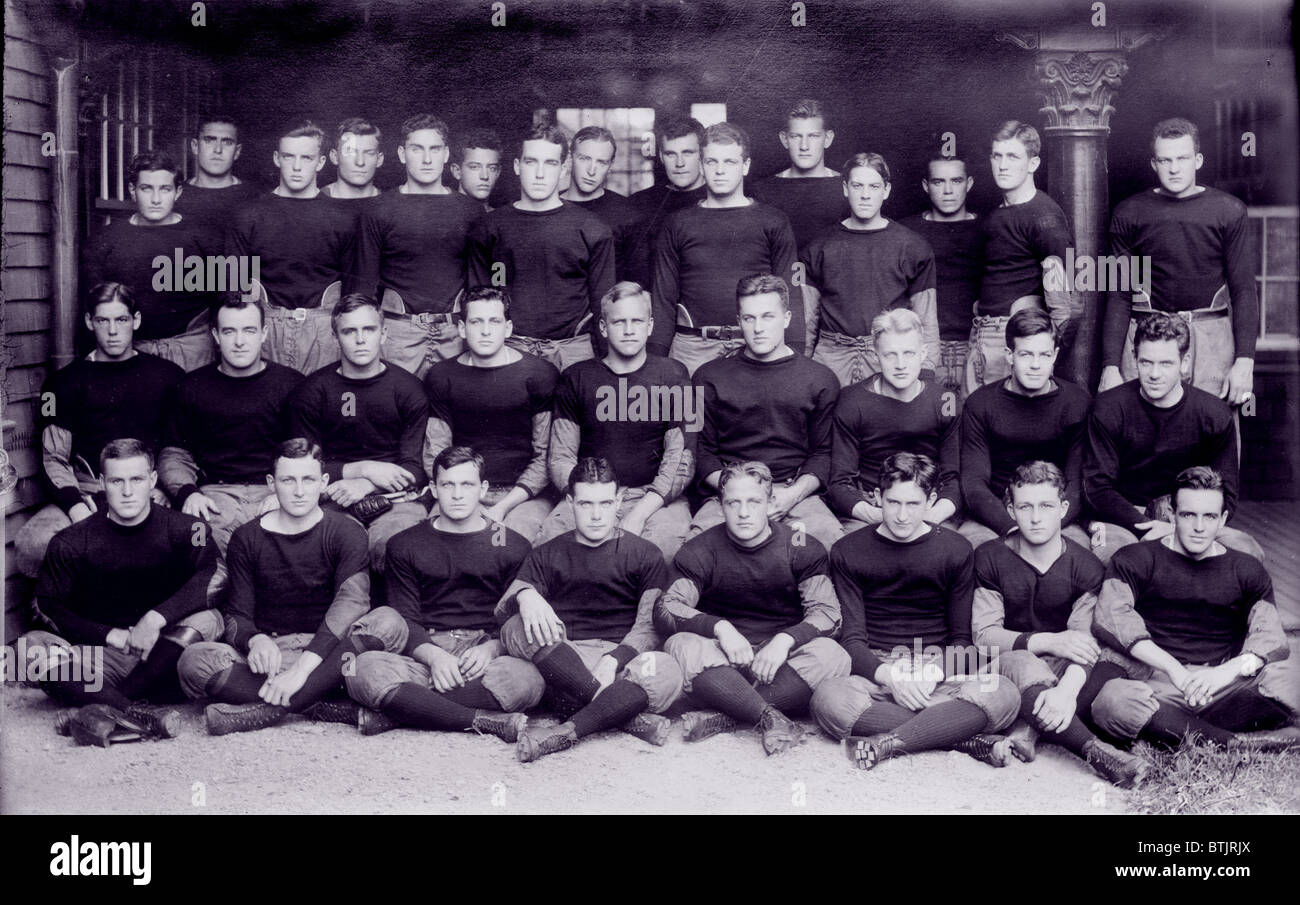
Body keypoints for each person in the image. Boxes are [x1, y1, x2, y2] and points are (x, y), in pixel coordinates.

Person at [811, 453, 1021, 770]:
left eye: (913, 504)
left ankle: (889, 742)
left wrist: (931, 673)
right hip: (880, 664)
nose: (902, 516)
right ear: (877, 496)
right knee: (828, 700)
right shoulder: (848, 551)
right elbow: (852, 639)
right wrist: (892, 678)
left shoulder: (956, 549)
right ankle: (960, 736)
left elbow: (965, 641)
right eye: (893, 502)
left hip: (938, 665)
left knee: (1004, 693)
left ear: (931, 499)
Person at [177, 439, 391, 736]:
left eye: (309, 479)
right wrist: (255, 641)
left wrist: (301, 671)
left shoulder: (346, 531)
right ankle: (319, 702)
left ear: (324, 481)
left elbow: (351, 605)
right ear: (271, 483)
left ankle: (269, 708)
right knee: (194, 660)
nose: (300, 491)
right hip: (275, 655)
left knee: (387, 623)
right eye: (288, 480)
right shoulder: (247, 537)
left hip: (330, 653)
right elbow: (237, 613)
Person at [341, 446, 546, 740]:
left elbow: (513, 620)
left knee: (528, 680)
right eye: (448, 484)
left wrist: (491, 650)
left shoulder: (511, 544)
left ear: (483, 489)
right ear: (434, 489)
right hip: (425, 649)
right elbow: (404, 620)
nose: (458, 494)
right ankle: (480, 719)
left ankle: (400, 713)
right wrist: (435, 657)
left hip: (483, 652)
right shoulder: (405, 543)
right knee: (358, 669)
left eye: (467, 485)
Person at [1089, 467, 1299, 752]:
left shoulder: (1246, 568)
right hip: (1160, 682)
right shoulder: (1134, 559)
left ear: (1223, 519)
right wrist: (1175, 670)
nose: (1199, 527)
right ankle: (1234, 743)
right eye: (1188, 515)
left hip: (1224, 684)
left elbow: (1270, 635)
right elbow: (1112, 619)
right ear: (1172, 515)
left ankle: (1180, 731)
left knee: (1292, 677)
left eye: (1209, 516)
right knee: (1112, 700)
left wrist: (1225, 673)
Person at [25, 439, 224, 736]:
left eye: (137, 479)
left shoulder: (188, 529)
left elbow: (213, 574)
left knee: (207, 620)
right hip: (109, 657)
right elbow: (50, 605)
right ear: (103, 483)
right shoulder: (71, 541)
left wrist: (155, 619)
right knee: (31, 650)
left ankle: (100, 710)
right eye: (117, 481)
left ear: (153, 480)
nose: (128, 491)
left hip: (169, 654)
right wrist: (110, 635)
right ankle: (137, 714)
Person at [496, 457, 685, 762]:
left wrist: (614, 660)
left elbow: (649, 627)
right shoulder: (547, 552)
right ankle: (622, 715)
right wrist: (526, 595)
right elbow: (505, 620)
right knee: (518, 626)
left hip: (621, 662)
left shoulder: (645, 554)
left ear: (619, 500)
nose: (597, 515)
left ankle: (566, 731)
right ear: (570, 502)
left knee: (666, 670)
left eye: (605, 503)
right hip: (563, 657)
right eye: (586, 504)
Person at [972, 461, 1147, 787]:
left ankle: (1030, 729)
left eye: (1046, 506)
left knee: (1114, 656)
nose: (1036, 518)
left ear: (1063, 509)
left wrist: (1066, 690)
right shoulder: (990, 557)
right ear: (1010, 509)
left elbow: (1083, 643)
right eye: (1025, 507)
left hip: (1062, 666)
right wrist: (1048, 641)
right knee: (1023, 662)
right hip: (1007, 664)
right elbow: (984, 637)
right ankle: (1096, 752)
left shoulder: (1086, 565)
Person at [656, 461, 850, 755]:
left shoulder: (801, 546)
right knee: (680, 645)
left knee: (833, 655)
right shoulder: (700, 549)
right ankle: (765, 715)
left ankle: (726, 716)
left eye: (754, 502)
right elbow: (667, 608)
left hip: (780, 664)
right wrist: (720, 628)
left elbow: (829, 615)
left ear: (771, 502)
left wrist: (786, 641)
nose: (743, 513)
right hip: (721, 658)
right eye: (733, 503)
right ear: (721, 505)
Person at [15, 283, 184, 577]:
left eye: (121, 320)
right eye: (103, 320)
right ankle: (58, 614)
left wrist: (165, 489)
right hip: (88, 492)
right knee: (33, 543)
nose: (113, 331)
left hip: (146, 491)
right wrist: (75, 506)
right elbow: (53, 457)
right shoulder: (60, 384)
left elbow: (179, 447)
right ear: (89, 322)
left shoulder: (168, 377)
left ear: (136, 320)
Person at [1100, 118, 1258, 403]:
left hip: (1210, 338)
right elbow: (1119, 293)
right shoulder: (1129, 213)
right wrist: (1110, 366)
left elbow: (1244, 290)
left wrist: (1245, 360)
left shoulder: (1229, 211)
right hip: (1147, 335)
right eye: (1165, 160)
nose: (1174, 169)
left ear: (1197, 160)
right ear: (1153, 164)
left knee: (1213, 433)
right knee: (1139, 435)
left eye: (1182, 158)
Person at [1085, 312, 1261, 562]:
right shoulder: (1109, 407)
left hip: (1189, 514)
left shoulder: (1213, 414)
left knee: (1246, 551)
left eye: (1166, 363)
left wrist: (1178, 526)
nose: (1155, 374)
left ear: (1185, 362)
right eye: (1146, 362)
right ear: (1134, 359)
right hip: (1126, 517)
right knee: (1113, 555)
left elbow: (1227, 495)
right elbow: (1097, 488)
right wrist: (1146, 526)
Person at [537, 281, 695, 559]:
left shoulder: (676, 374)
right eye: (619, 321)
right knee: (549, 544)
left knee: (664, 551)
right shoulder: (575, 377)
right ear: (602, 327)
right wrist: (591, 502)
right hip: (590, 494)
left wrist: (640, 513)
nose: (629, 329)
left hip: (654, 499)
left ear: (650, 325)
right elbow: (560, 458)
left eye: (637, 321)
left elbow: (684, 458)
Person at [690, 274, 843, 550]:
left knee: (834, 545)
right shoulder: (708, 377)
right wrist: (743, 494)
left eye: (768, 317)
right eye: (749, 318)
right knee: (693, 551)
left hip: (794, 493)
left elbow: (823, 454)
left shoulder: (820, 379)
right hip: (730, 493)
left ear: (786, 318)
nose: (758, 327)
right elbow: (701, 453)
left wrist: (792, 495)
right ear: (739, 322)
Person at [285, 294, 430, 572]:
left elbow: (416, 468)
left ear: (384, 333)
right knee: (328, 545)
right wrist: (363, 469)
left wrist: (367, 484)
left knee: (395, 545)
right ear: (335, 337)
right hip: (332, 496)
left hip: (396, 499)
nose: (360, 339)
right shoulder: (311, 392)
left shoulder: (409, 389)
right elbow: (301, 467)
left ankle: (393, 614)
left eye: (369, 329)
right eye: (349, 331)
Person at [158, 292, 303, 553]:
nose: (239, 342)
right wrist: (188, 493)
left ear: (263, 333)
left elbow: (306, 453)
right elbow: (174, 455)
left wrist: (286, 493)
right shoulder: (192, 387)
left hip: (274, 494)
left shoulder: (292, 384)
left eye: (248, 331)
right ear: (215, 336)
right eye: (229, 331)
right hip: (214, 497)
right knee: (203, 560)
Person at [652, 122, 803, 371]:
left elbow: (792, 290)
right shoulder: (677, 223)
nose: (720, 170)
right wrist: (655, 360)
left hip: (756, 343)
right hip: (692, 347)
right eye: (712, 162)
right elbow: (663, 297)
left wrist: (795, 351)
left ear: (745, 165)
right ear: (701, 165)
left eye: (730, 162)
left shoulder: (774, 221)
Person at [467, 122, 615, 370]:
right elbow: (487, 290)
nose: (539, 173)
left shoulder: (592, 229)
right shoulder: (490, 228)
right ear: (517, 166)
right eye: (531, 162)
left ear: (564, 167)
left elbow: (603, 303)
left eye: (550, 163)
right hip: (509, 349)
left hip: (573, 352)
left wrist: (603, 367)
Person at [423, 288, 559, 542]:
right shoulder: (442, 376)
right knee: (437, 542)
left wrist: (503, 507)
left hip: (523, 496)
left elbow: (545, 456)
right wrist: (465, 498)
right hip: (461, 490)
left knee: (511, 542)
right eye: (476, 322)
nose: (486, 331)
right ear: (462, 328)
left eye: (494, 321)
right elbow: (436, 451)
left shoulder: (539, 374)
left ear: (507, 328)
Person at [355, 114, 482, 377]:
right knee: (394, 410)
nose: (427, 159)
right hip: (399, 333)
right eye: (417, 149)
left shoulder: (470, 210)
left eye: (434, 149)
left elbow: (488, 276)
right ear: (402, 154)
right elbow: (364, 283)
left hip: (455, 331)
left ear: (446, 154)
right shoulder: (377, 210)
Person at [227, 120, 358, 374]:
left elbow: (353, 292)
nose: (297, 167)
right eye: (289, 156)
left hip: (324, 331)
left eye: (306, 158)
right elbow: (232, 285)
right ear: (277, 158)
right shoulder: (248, 214)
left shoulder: (343, 219)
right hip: (264, 329)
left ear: (320, 162)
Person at [802, 152, 939, 386]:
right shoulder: (819, 246)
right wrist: (801, 368)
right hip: (831, 357)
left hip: (886, 356)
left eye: (874, 186)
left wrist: (926, 374)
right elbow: (807, 321)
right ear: (845, 188)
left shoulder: (913, 247)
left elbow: (926, 320)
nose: (865, 195)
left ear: (886, 191)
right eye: (857, 186)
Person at [959, 308, 1092, 549]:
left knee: (1076, 553)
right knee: (976, 550)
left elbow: (1077, 484)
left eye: (1044, 355)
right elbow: (974, 484)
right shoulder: (980, 404)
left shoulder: (1077, 403)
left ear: (1055, 356)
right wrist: (1011, 527)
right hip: (995, 515)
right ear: (1009, 355)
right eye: (1026, 354)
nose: (1035, 365)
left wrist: (1048, 527)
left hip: (1054, 514)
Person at [82, 150, 219, 371]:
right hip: (132, 351)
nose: (156, 199)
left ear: (178, 192)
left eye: (165, 189)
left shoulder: (206, 237)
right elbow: (95, 305)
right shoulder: (104, 239)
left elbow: (226, 299)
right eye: (147, 188)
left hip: (193, 350)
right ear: (132, 191)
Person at [828, 309, 959, 533]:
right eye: (890, 354)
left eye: (908, 353)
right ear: (875, 354)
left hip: (929, 506)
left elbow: (953, 478)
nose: (900, 364)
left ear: (923, 353)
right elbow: (839, 483)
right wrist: (883, 516)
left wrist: (928, 516)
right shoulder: (852, 401)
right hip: (872, 506)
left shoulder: (945, 401)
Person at [970, 121, 1073, 394]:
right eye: (997, 156)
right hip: (982, 337)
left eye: (1013, 156)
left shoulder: (1045, 217)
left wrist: (1034, 350)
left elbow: (1065, 306)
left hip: (1015, 341)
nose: (1002, 165)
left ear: (1033, 163)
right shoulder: (995, 215)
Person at [900, 155, 984, 398]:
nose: (948, 191)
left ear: (968, 183)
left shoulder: (988, 228)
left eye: (956, 181)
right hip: (922, 349)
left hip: (975, 348)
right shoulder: (906, 232)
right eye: (938, 182)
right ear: (926, 186)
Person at [749, 99, 849, 254]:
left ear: (827, 139)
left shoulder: (847, 187)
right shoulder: (763, 190)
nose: (804, 146)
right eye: (796, 136)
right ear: (784, 139)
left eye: (813, 136)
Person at [626, 116, 708, 291]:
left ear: (702, 155)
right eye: (671, 154)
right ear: (661, 157)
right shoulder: (640, 203)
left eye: (688, 153)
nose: (679, 163)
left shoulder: (718, 199)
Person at [560, 125, 641, 281]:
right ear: (570, 159)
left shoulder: (627, 214)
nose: (592, 171)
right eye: (584, 159)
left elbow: (637, 281)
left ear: (610, 166)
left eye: (602, 162)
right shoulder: (551, 206)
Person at [175, 113, 262, 229]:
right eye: (209, 140)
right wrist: (179, 249)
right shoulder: (176, 195)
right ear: (195, 146)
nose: (218, 150)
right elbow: (176, 245)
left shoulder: (256, 197)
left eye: (227, 142)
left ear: (237, 151)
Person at [322, 117, 384, 200]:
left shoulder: (391, 204)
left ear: (379, 160)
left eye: (369, 153)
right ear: (334, 157)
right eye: (350, 152)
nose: (360, 162)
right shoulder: (313, 202)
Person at [450, 128, 504, 211]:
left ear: (498, 173)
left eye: (492, 168)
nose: (485, 176)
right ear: (457, 171)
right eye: (474, 167)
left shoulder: (504, 220)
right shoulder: (441, 217)